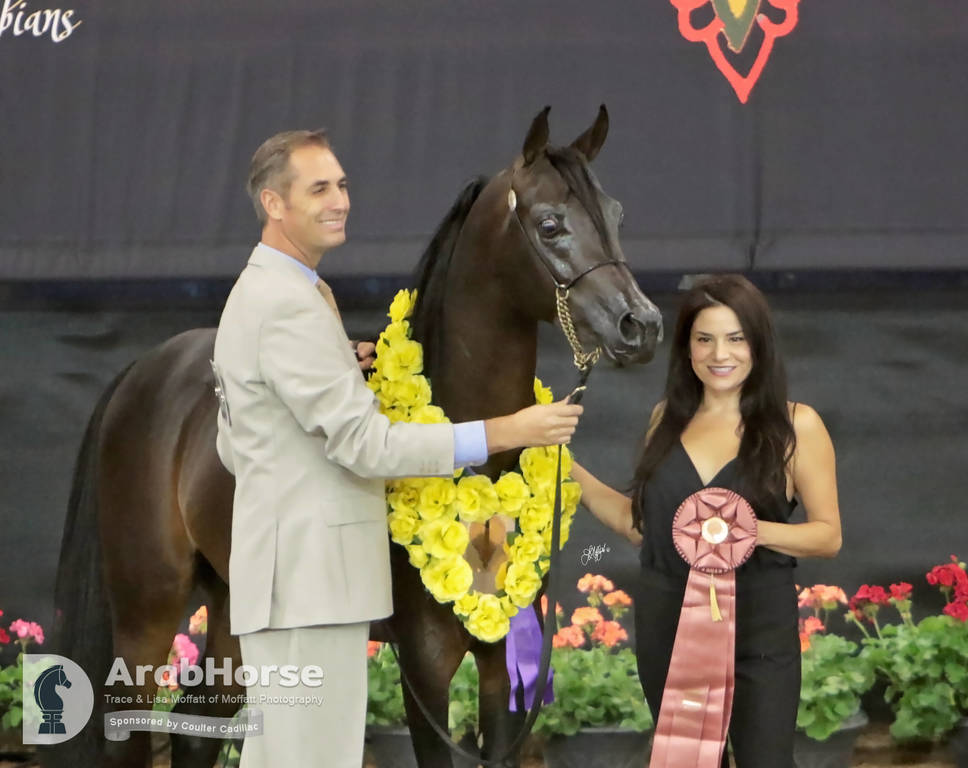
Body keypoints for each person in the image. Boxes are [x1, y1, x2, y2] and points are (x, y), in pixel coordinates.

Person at [212, 129, 583, 768]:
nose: (340, 200)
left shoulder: (283, 293)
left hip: (296, 580)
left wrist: (333, 372)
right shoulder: (286, 305)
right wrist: (504, 431)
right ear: (274, 204)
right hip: (308, 583)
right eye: (319, 188)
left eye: (343, 184)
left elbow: (233, 442)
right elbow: (363, 444)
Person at [571, 274, 841, 767]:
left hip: (758, 633)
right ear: (687, 348)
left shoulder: (796, 425)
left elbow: (827, 536)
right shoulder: (664, 419)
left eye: (736, 338)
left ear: (758, 344)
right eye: (705, 339)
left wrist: (742, 532)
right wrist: (565, 470)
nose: (721, 353)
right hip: (668, 626)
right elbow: (643, 528)